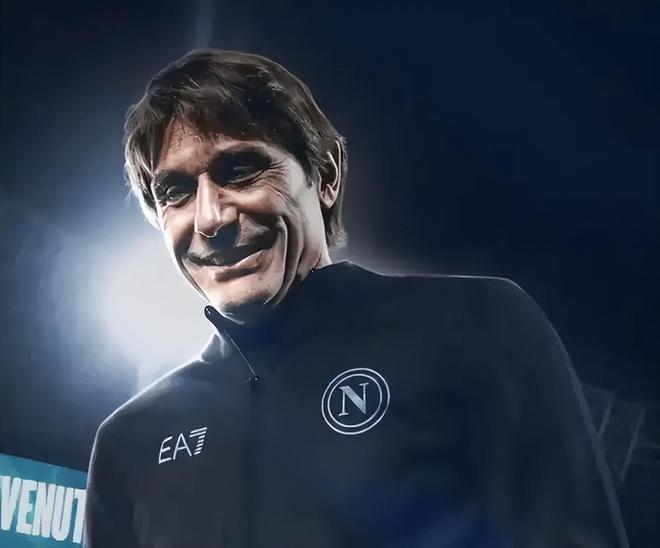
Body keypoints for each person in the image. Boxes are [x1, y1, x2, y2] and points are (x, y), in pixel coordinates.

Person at [84, 49, 627, 548]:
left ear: (325, 176)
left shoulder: (476, 326)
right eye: (175, 192)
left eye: (241, 170)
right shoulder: (129, 442)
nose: (211, 218)